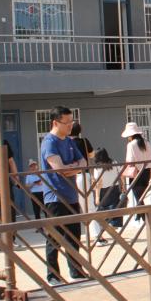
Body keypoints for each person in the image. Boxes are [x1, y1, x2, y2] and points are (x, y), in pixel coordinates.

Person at [40, 106, 88, 285]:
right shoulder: (49, 142)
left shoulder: (69, 141)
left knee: (74, 236)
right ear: (55, 122)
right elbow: (59, 169)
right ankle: (53, 275)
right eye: (66, 122)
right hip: (55, 196)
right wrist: (73, 168)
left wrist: (71, 168)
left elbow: (84, 162)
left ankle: (76, 271)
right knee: (55, 237)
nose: (70, 126)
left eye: (71, 122)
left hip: (72, 195)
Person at [121, 122, 151, 219]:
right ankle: (139, 217)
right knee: (140, 198)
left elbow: (130, 161)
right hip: (146, 173)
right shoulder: (147, 143)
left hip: (136, 173)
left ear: (131, 135)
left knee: (139, 199)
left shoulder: (131, 145)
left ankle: (145, 218)